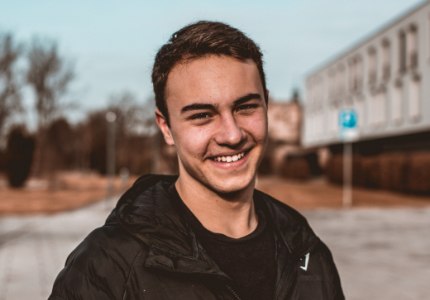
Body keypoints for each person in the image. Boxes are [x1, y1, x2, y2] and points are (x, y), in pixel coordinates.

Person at [49, 21, 344, 300]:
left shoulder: (306, 251)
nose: (231, 134)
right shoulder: (107, 265)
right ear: (166, 127)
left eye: (245, 107)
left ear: (266, 105)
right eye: (202, 115)